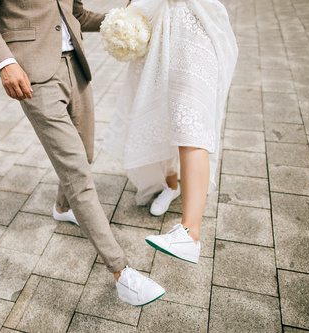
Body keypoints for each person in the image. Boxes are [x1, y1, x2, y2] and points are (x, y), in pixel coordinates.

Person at [0, 0, 165, 306]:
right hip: (32, 73)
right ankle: (121, 272)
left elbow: (76, 13)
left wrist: (124, 23)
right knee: (77, 173)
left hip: (77, 67)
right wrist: (4, 62)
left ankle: (62, 208)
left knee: (85, 154)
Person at [103, 0, 238, 264]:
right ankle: (171, 185)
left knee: (190, 125)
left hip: (193, 33)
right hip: (161, 35)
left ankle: (190, 233)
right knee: (162, 120)